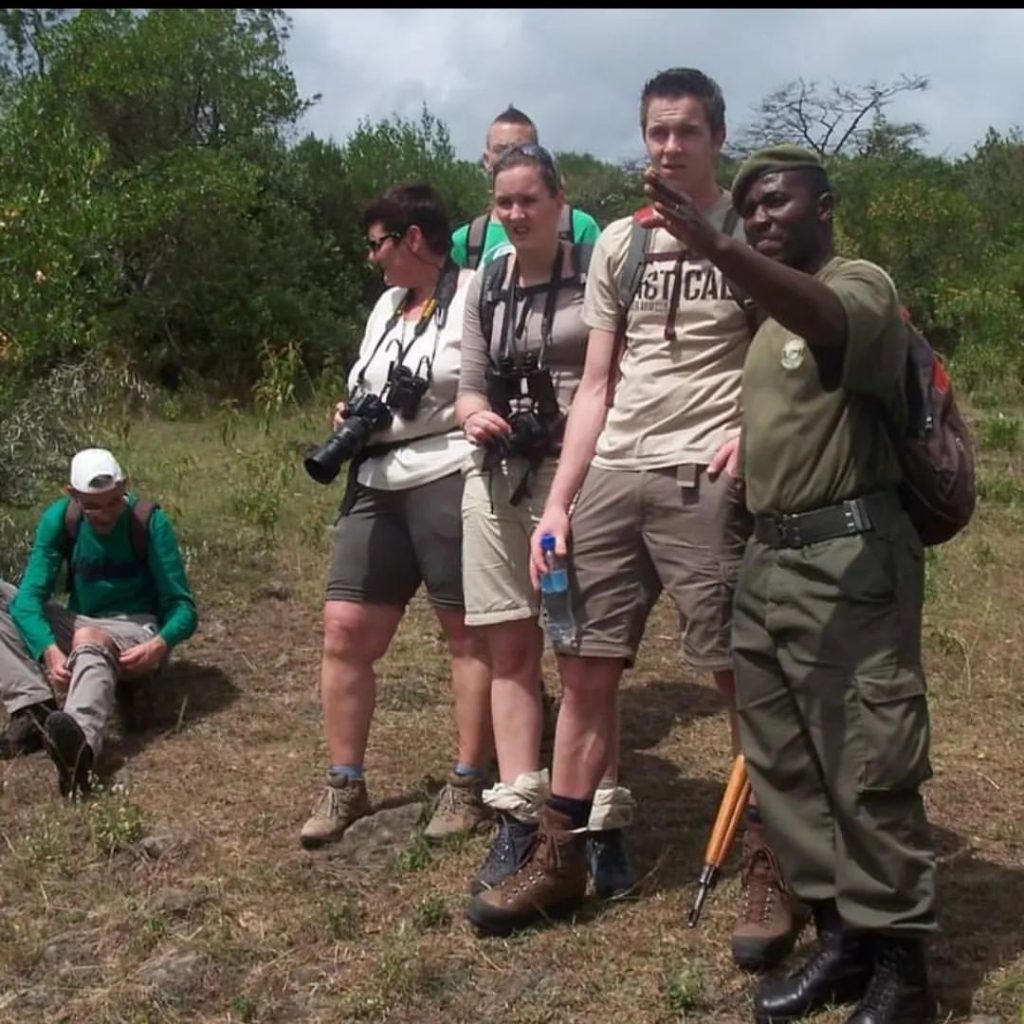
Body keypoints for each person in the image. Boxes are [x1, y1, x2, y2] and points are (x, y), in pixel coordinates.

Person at [465, 68, 803, 965]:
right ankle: (561, 855)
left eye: (687, 131)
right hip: (615, 470)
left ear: (717, 138)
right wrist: (561, 504)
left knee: (737, 674)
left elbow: (790, 352)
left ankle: (773, 863)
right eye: (657, 132)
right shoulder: (619, 242)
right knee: (585, 670)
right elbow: (598, 384)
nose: (669, 147)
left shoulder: (750, 233)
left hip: (705, 477)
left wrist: (749, 430)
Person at [643, 145, 938, 1023]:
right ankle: (842, 938)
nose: (763, 216)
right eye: (750, 208)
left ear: (824, 205)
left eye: (778, 202)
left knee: (865, 759)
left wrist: (721, 248)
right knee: (785, 763)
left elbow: (834, 324)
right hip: (772, 563)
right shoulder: (769, 318)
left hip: (849, 562)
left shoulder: (859, 285)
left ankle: (903, 968)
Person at [455, 142, 635, 901]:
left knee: (582, 660)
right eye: (505, 203)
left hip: (577, 482)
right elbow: (465, 390)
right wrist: (478, 418)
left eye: (531, 199)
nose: (518, 214)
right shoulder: (483, 283)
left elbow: (609, 380)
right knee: (507, 650)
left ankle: (597, 819)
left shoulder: (596, 271)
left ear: (562, 202)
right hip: (496, 484)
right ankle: (519, 812)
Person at [300, 183, 493, 850]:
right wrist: (348, 412)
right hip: (375, 478)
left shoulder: (476, 292)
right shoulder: (387, 305)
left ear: (414, 239)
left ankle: (470, 781)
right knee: (344, 627)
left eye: (379, 242)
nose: (373, 258)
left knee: (467, 632)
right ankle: (344, 782)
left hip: (447, 470)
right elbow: (367, 381)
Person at [0, 448, 198, 797]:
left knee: (89, 637)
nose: (105, 513)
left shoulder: (147, 521)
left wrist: (160, 645)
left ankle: (80, 750)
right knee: (8, 598)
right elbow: (30, 597)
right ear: (73, 496)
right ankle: (32, 707)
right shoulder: (61, 520)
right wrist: (48, 650)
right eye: (93, 506)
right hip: (81, 622)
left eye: (114, 502)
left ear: (126, 487)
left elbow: (182, 606)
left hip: (137, 628)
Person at [450, 105, 601, 270]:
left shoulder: (578, 226)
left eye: (520, 149)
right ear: (487, 160)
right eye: (501, 150)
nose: (510, 157)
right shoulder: (465, 241)